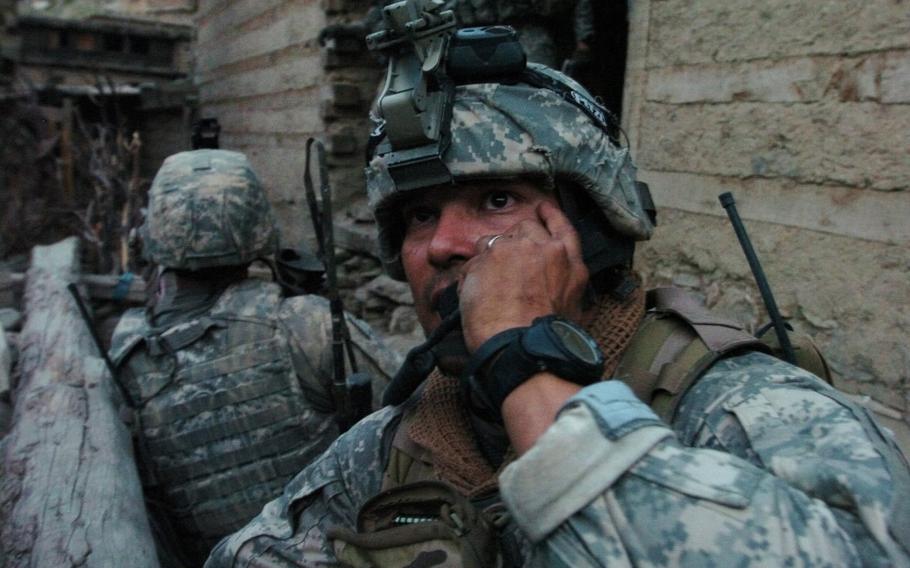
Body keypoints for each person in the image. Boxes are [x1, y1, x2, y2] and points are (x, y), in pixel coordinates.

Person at [205, 63, 910, 566]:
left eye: (497, 201)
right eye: (421, 215)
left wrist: (523, 361)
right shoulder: (405, 440)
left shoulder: (743, 410)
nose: (446, 244)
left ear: (594, 229)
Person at [109, 149, 400, 566]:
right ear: (257, 226)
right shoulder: (305, 325)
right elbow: (413, 415)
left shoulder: (128, 359)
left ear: (155, 234)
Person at [319, 0, 576, 68]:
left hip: (520, 35)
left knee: (535, 99)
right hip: (457, 42)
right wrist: (352, 30)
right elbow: (390, 12)